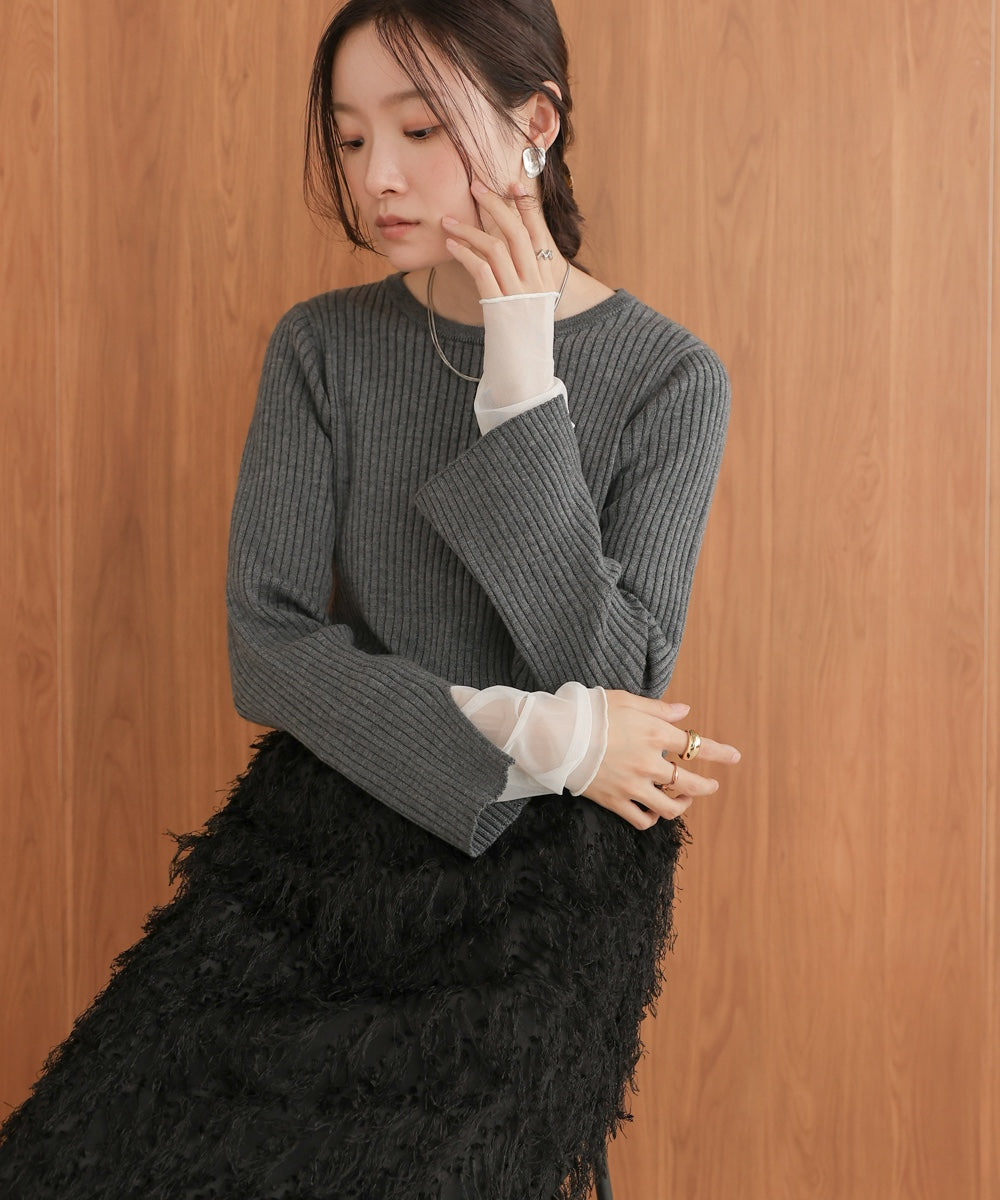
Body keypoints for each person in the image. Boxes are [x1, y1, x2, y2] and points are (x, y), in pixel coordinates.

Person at [0, 1, 740, 1197]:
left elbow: (615, 679)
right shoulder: (322, 348)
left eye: (419, 129)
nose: (377, 176)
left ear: (535, 124)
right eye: (350, 139)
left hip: (539, 887)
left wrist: (521, 383)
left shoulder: (669, 378)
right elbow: (270, 646)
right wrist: (534, 730)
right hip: (317, 848)